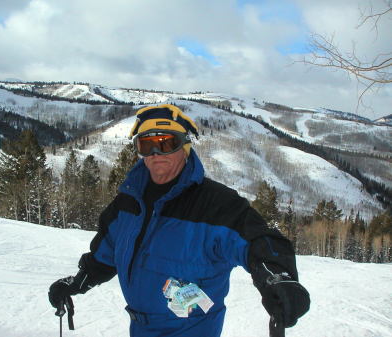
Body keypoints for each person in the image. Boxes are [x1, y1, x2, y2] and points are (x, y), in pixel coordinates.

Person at [48, 104, 310, 337]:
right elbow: (105, 256)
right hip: (140, 329)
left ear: (185, 147)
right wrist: (79, 282)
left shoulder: (216, 205)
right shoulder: (126, 204)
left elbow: (259, 241)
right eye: (146, 145)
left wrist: (277, 277)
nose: (155, 152)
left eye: (166, 143)